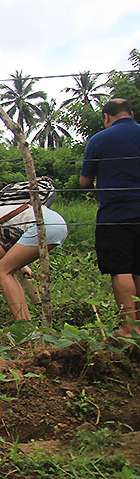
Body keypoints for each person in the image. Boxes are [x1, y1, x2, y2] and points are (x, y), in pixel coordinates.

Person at [80, 98, 140, 336]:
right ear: (131, 114)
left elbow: (84, 182)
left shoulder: (99, 140)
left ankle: (129, 327)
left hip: (116, 214)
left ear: (106, 117)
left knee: (121, 269)